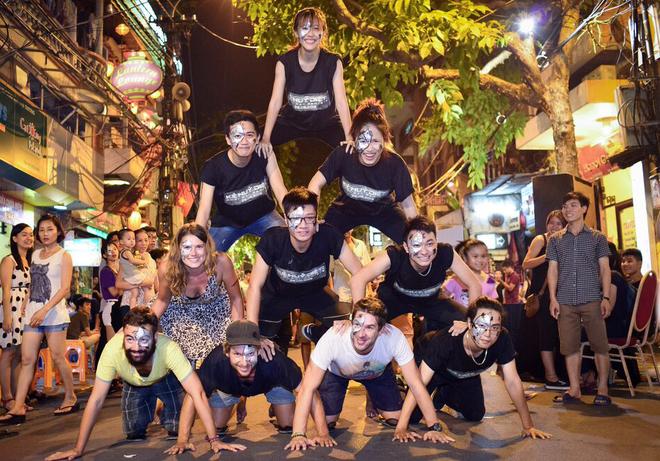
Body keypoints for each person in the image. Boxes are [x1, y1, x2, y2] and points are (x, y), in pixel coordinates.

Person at [44, 307, 246, 460]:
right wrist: (78, 449)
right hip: (134, 384)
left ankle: (161, 405)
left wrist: (214, 440)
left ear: (155, 338)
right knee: (134, 432)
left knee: (175, 429)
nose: (136, 347)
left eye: (144, 340)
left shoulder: (168, 348)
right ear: (123, 335)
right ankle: (152, 404)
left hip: (165, 379)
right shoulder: (113, 351)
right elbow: (96, 401)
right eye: (130, 339)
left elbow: (198, 393)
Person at [285, 297, 451, 451]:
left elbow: (416, 384)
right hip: (338, 372)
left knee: (396, 419)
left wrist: (433, 426)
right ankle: (317, 331)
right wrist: (303, 434)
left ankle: (372, 395)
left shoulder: (393, 337)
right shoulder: (334, 338)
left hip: (375, 373)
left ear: (381, 330)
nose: (361, 334)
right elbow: (307, 388)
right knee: (327, 423)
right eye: (357, 324)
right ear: (351, 322)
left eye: (370, 327)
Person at [393, 297, 551, 442]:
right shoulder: (445, 342)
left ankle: (444, 393)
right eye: (481, 326)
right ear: (469, 323)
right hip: (433, 369)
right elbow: (418, 384)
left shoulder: (502, 338)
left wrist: (528, 426)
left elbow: (512, 381)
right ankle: (400, 390)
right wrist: (401, 427)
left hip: (463, 373)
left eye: (494, 327)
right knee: (412, 418)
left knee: (475, 415)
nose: (487, 334)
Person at [166, 320, 333, 455]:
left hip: (271, 385)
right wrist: (182, 439)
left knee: (288, 425)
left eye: (250, 354)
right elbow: (194, 395)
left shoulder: (274, 360)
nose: (244, 362)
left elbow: (308, 390)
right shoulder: (216, 362)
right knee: (217, 426)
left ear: (259, 350)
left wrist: (322, 433)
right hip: (230, 388)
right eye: (237, 354)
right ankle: (238, 400)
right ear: (226, 352)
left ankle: (275, 405)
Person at [246, 187, 362, 348]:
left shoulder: (329, 235)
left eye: (309, 218)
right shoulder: (272, 239)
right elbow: (254, 286)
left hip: (315, 293)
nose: (303, 225)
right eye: (296, 218)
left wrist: (358, 318)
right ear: (286, 220)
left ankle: (315, 332)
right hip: (277, 296)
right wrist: (253, 333)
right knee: (263, 345)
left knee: (352, 329)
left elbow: (359, 272)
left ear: (316, 220)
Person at [0, 215, 76, 424]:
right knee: (26, 359)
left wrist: (45, 310)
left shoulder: (64, 255)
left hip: (54, 314)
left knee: (59, 357)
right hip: (32, 313)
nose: (44, 234)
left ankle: (70, 396)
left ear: (58, 232)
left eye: (49, 229)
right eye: (41, 230)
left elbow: (65, 288)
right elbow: (32, 282)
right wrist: (26, 302)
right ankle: (17, 407)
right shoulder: (35, 255)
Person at [308, 99, 416, 244]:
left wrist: (418, 236)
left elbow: (408, 205)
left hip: (384, 211)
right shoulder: (344, 154)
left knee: (412, 240)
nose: (369, 149)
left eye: (375, 142)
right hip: (347, 209)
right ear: (354, 138)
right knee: (320, 238)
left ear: (384, 141)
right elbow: (315, 184)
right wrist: (311, 219)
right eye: (363, 140)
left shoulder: (394, 164)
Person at [349, 216, 482, 334]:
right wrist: (359, 318)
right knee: (367, 327)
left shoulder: (446, 253)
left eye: (429, 244)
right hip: (393, 300)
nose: (424, 251)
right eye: (416, 245)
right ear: (406, 247)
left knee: (472, 327)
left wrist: (469, 321)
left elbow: (474, 284)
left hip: (431, 300)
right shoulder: (394, 255)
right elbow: (358, 280)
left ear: (436, 242)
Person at [257, 7, 352, 157]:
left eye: (316, 28)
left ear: (323, 33)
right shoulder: (285, 62)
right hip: (292, 122)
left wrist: (349, 137)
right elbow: (275, 102)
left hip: (326, 124)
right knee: (254, 143)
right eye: (305, 28)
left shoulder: (333, 62)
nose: (310, 33)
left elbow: (341, 102)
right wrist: (266, 138)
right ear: (296, 32)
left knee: (355, 150)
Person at [547, 191, 612, 406]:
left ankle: (602, 389)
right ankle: (574, 389)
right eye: (565, 206)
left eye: (573, 205)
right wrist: (553, 299)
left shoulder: (598, 237)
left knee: (600, 345)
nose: (568, 210)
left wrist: (606, 297)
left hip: (592, 297)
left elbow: (605, 268)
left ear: (584, 209)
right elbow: (553, 270)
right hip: (565, 299)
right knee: (569, 347)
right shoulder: (555, 240)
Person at [195, 110, 287, 252]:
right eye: (237, 136)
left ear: (257, 137)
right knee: (205, 254)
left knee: (288, 240)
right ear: (228, 139)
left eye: (249, 135)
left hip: (264, 216)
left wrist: (294, 218)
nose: (244, 141)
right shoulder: (213, 167)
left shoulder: (265, 153)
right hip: (227, 222)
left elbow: (280, 190)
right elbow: (204, 209)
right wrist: (197, 240)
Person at [152, 223, 244, 365]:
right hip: (179, 317)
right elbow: (162, 300)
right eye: (187, 247)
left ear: (207, 247)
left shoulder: (221, 262)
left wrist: (238, 333)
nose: (193, 253)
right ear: (178, 248)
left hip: (216, 317)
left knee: (220, 362)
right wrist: (145, 324)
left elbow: (236, 298)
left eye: (199, 247)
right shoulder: (166, 267)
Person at [522, 210, 568, 390]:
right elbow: (526, 263)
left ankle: (563, 374)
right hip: (543, 294)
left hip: (562, 293)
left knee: (561, 336)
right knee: (547, 334)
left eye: (559, 223)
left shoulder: (566, 241)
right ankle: (551, 376)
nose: (554, 226)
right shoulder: (541, 240)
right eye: (552, 223)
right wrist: (547, 255)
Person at [0, 223, 33, 412]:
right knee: (8, 353)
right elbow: (5, 290)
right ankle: (7, 398)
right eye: (24, 235)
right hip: (11, 309)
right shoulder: (9, 260)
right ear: (14, 238)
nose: (28, 238)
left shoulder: (28, 260)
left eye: (30, 235)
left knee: (20, 354)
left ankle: (18, 398)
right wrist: (6, 316)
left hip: (23, 311)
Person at [444, 239, 498, 307]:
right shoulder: (456, 279)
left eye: (483, 256)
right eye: (475, 256)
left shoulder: (490, 281)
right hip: (460, 317)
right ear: (465, 258)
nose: (480, 260)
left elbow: (493, 304)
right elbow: (442, 297)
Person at [117, 229, 149, 309]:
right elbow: (118, 284)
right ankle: (133, 309)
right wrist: (143, 283)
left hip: (145, 305)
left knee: (135, 293)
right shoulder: (128, 254)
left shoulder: (149, 257)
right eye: (140, 240)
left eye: (146, 240)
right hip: (127, 304)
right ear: (122, 241)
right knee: (135, 293)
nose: (144, 243)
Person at [99, 241, 121, 342]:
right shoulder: (106, 271)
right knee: (112, 344)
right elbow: (114, 292)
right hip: (111, 307)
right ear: (104, 255)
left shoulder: (118, 270)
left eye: (115, 249)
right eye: (109, 251)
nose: (113, 252)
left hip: (117, 307)